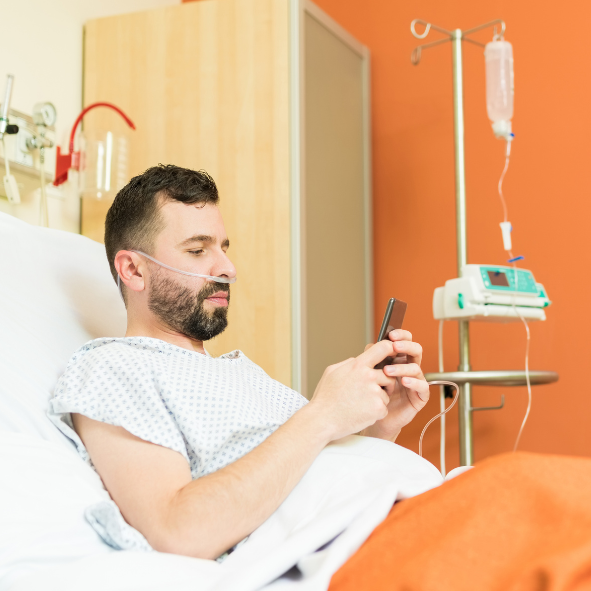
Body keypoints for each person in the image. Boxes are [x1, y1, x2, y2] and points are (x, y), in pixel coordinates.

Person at [49, 164, 430, 561]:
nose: (227, 269)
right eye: (198, 250)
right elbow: (178, 531)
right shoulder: (114, 370)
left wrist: (380, 429)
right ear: (133, 269)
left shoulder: (239, 371)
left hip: (399, 516)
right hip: (369, 549)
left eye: (223, 248)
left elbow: (310, 475)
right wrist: (323, 414)